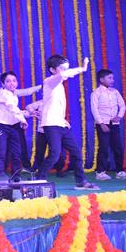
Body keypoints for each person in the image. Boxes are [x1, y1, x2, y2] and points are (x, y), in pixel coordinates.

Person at [36, 54, 98, 190]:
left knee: (76, 152)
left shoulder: (59, 84)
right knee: (54, 154)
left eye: (66, 68)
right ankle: (39, 179)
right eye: (62, 68)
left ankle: (81, 182)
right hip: (50, 124)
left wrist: (63, 120)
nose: (65, 71)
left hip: (61, 124)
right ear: (52, 70)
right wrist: (82, 68)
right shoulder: (49, 81)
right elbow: (64, 75)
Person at [0, 72, 40, 181]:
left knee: (17, 152)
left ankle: (16, 176)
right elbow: (9, 108)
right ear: (3, 84)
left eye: (14, 81)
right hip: (1, 126)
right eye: (8, 81)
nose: (12, 83)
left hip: (14, 125)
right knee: (1, 152)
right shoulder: (1, 94)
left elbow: (26, 91)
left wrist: (41, 86)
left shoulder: (14, 93)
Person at [90, 69, 126, 181]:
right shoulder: (96, 93)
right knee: (103, 148)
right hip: (103, 124)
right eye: (109, 78)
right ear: (101, 79)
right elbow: (94, 109)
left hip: (114, 123)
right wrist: (101, 123)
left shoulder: (115, 92)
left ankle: (119, 171)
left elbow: (122, 105)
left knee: (118, 148)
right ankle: (100, 172)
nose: (112, 80)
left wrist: (119, 116)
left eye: (113, 78)